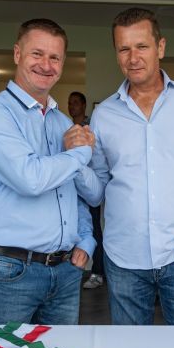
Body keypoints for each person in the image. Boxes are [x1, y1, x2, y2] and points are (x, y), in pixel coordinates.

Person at [72, 8, 174, 325]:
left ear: (160, 47)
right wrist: (76, 160)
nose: (133, 58)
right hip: (124, 258)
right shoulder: (104, 114)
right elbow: (97, 191)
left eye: (142, 46)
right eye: (124, 49)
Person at [0, 18, 96, 325]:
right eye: (37, 54)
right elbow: (31, 179)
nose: (46, 65)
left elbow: (90, 195)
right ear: (17, 54)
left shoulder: (62, 122)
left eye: (55, 57)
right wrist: (81, 153)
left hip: (65, 273)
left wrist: (86, 239)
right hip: (10, 272)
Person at [68, 91, 104, 289]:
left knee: (93, 229)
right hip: (70, 186)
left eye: (75, 103)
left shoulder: (90, 127)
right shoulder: (66, 126)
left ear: (83, 105)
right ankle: (73, 268)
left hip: (89, 185)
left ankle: (97, 272)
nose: (71, 106)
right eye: (69, 103)